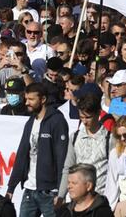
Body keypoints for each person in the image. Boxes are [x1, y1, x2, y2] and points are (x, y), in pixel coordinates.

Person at [7, 82, 69, 217]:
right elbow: (22, 155)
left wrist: (60, 191)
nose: (27, 103)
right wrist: (11, 187)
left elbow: (62, 158)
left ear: (43, 99)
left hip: (49, 191)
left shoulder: (57, 121)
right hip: (29, 189)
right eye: (26, 99)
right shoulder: (30, 122)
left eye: (31, 99)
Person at [59, 93, 112, 199]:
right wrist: (61, 195)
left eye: (88, 117)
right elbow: (67, 168)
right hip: (76, 200)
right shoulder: (74, 136)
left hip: (99, 199)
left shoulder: (110, 138)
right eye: (81, 117)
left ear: (98, 114)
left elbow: (115, 172)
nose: (84, 121)